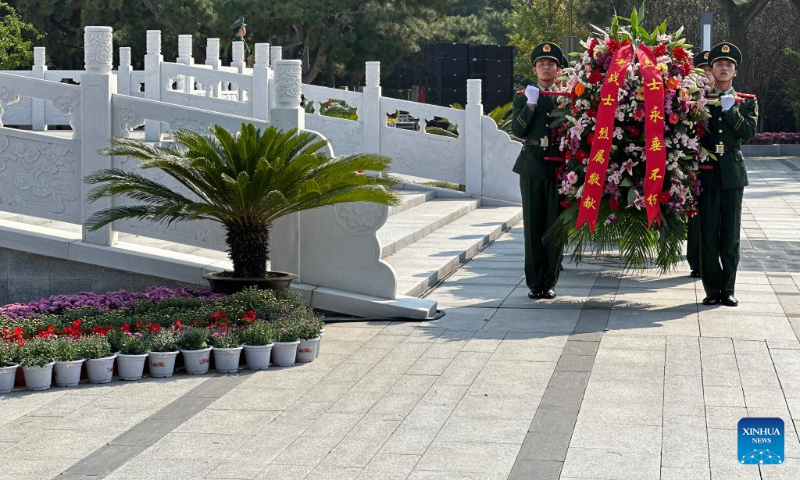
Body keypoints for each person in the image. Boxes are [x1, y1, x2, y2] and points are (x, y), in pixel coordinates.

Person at [698, 42, 758, 307]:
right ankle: (712, 288)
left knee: (730, 235)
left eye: (729, 65)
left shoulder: (747, 101)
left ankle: (728, 288)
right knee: (708, 233)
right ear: (711, 69)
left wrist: (729, 108)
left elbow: (748, 132)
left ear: (735, 72)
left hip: (733, 172)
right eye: (719, 64)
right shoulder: (699, 100)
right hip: (707, 172)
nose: (724, 68)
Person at [512, 42, 564, 300]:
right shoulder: (523, 96)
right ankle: (534, 282)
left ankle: (550, 281)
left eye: (551, 64)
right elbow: (518, 131)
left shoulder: (565, 97)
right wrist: (530, 105)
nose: (546, 68)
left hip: (559, 168)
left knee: (555, 226)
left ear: (558, 70)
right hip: (532, 165)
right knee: (533, 226)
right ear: (534, 69)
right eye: (542, 64)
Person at [686, 50, 715, 279]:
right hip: (690, 164)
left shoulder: (722, 99)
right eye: (701, 71)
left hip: (714, 166)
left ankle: (709, 258)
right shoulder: (687, 98)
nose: (706, 75)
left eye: (709, 70)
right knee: (693, 213)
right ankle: (695, 260)